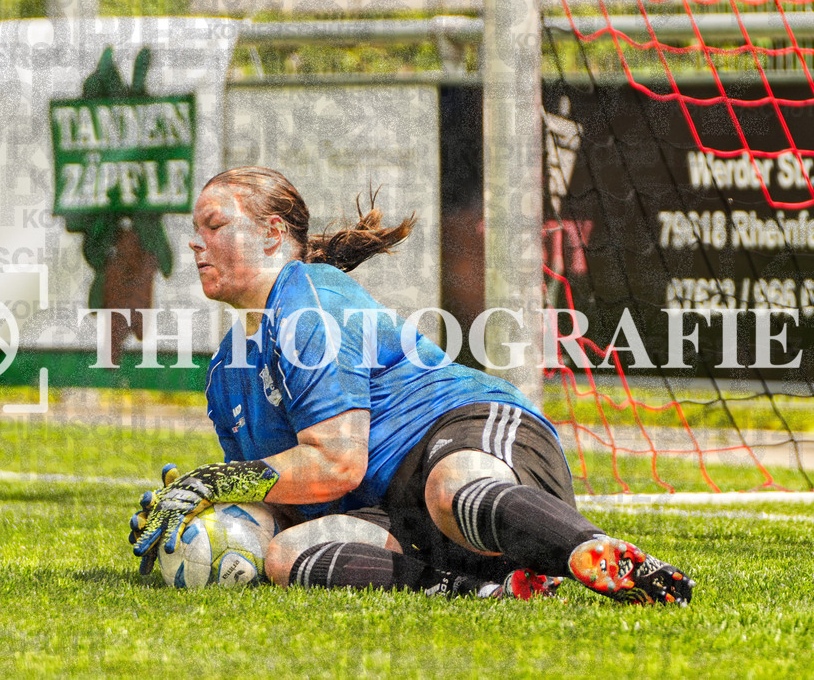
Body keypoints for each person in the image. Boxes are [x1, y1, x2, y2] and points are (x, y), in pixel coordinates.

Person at [127, 166, 694, 605]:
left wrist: (217, 480)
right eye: (193, 231)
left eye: (215, 226)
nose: (196, 244)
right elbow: (290, 493)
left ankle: (597, 554)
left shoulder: (308, 297)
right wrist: (199, 516)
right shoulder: (226, 373)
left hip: (470, 437)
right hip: (397, 511)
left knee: (450, 488)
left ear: (273, 234)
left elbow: (336, 463)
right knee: (286, 555)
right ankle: (482, 588)